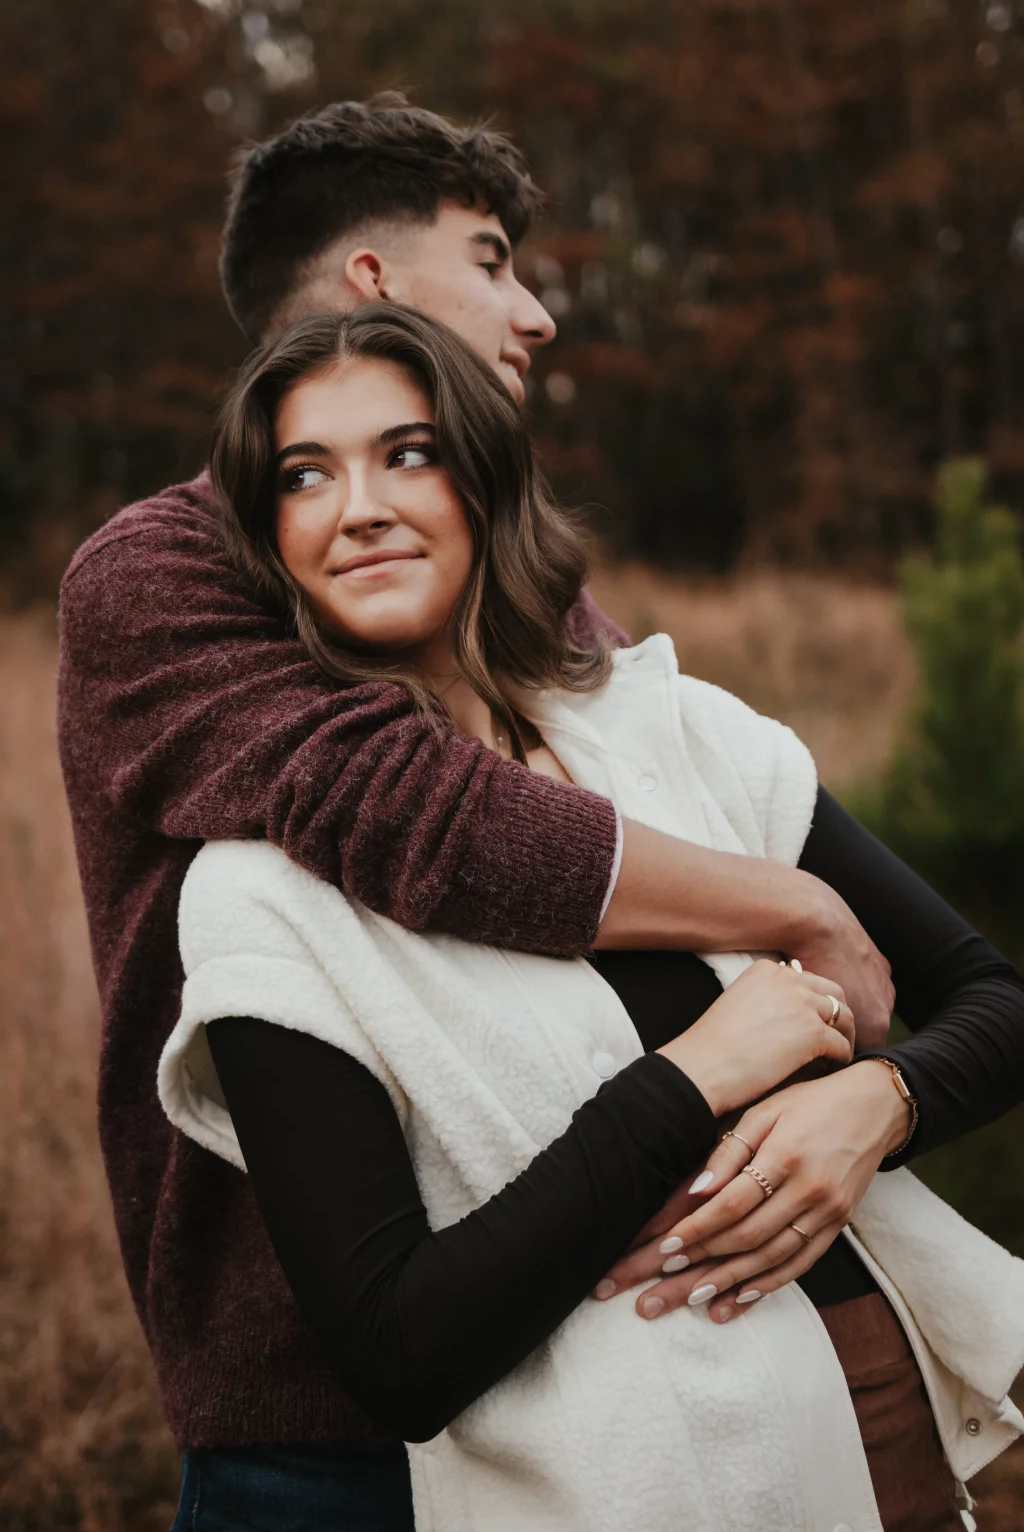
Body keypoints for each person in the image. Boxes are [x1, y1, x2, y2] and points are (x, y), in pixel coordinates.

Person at [57, 93, 896, 1518]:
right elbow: (419, 815)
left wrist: (877, 1091)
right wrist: (801, 907)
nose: (536, 314)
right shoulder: (160, 568)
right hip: (321, 1418)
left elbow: (656, 807)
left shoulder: (550, 610)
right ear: (377, 281)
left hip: (605, 1366)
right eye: (496, 258)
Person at [160, 304, 1024, 1531]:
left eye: (408, 452)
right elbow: (399, 1352)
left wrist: (872, 1105)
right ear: (270, 534)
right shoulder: (260, 895)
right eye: (306, 475)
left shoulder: (679, 729)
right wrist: (691, 1079)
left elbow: (992, 1004)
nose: (358, 505)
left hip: (895, 1424)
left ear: (487, 477)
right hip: (645, 1494)